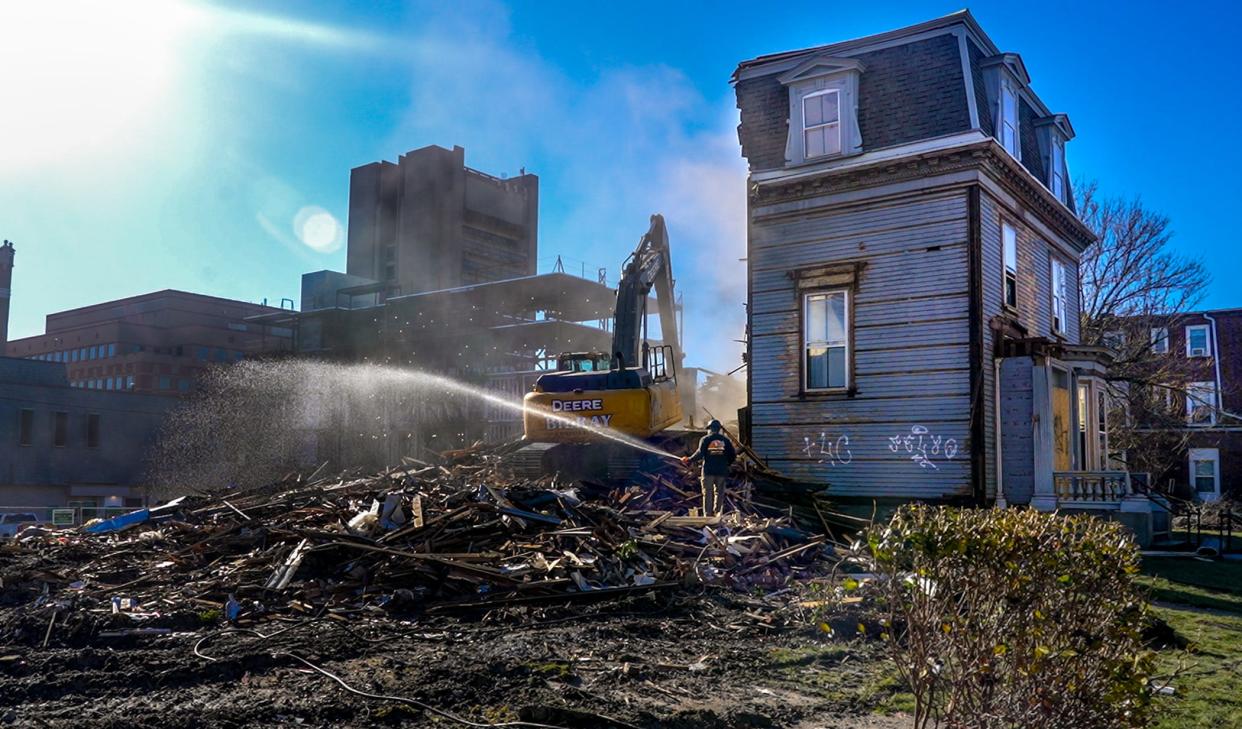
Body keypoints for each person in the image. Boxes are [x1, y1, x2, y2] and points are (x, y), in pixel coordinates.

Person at [681, 419, 736, 516]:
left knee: (708, 493)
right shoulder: (725, 440)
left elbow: (699, 454)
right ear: (719, 429)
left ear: (710, 429)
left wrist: (688, 459)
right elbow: (733, 455)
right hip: (721, 472)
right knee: (719, 493)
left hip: (708, 471)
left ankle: (708, 514)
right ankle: (718, 513)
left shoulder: (705, 439)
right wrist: (726, 464)